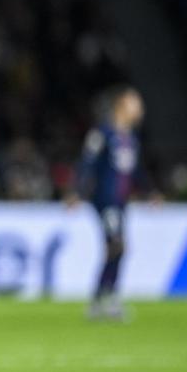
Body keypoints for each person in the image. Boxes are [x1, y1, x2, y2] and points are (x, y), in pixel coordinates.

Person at [70, 86, 151, 320]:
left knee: (117, 247)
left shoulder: (131, 138)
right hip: (106, 200)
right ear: (121, 106)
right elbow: (87, 162)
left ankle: (101, 298)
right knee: (117, 244)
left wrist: (150, 191)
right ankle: (106, 298)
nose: (140, 109)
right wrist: (77, 191)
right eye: (135, 103)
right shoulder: (103, 133)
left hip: (121, 201)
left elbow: (135, 170)